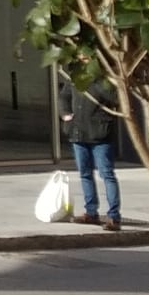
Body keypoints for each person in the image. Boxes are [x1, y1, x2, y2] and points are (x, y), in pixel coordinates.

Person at [59, 75, 123, 231]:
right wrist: (65, 114)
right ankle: (91, 212)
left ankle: (113, 216)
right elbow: (64, 96)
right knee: (85, 174)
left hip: (100, 133)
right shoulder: (74, 76)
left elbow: (115, 98)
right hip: (78, 133)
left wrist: (96, 81)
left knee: (107, 174)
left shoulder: (103, 79)